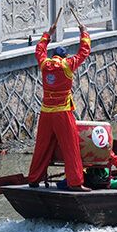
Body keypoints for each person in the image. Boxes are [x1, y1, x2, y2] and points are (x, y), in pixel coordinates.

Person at [27, 18, 92, 191]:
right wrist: (83, 33)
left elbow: (39, 49)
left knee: (42, 146)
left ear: (53, 55)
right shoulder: (67, 65)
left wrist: (48, 33)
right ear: (64, 56)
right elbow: (84, 52)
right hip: (62, 111)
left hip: (46, 111)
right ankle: (76, 183)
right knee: (71, 147)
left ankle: (34, 179)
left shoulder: (45, 63)